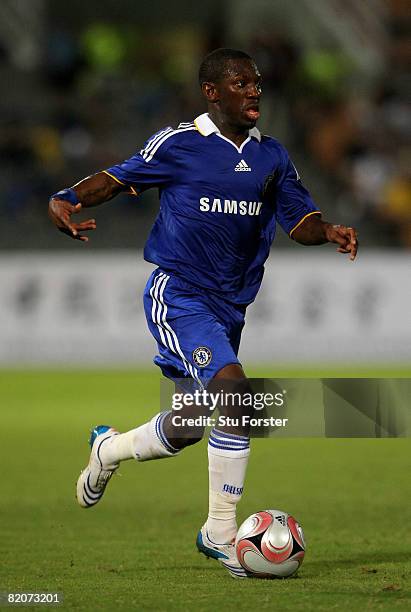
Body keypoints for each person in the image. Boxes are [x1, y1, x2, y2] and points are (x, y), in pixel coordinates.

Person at [48, 48, 358, 579]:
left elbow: (299, 218)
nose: (255, 90)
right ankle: (220, 530)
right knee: (235, 392)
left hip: (230, 305)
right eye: (242, 83)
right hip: (180, 292)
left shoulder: (273, 156)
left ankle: (110, 449)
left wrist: (326, 230)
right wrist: (66, 197)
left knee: (192, 423)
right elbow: (120, 177)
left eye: (257, 83)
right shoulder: (181, 144)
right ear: (212, 92)